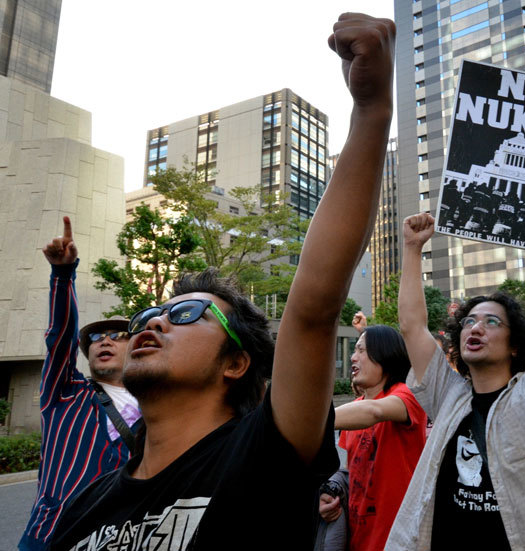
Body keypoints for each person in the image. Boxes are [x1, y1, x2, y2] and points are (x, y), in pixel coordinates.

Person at [50, 13, 396, 550]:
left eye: (187, 314)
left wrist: (372, 110)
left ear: (236, 362)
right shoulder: (85, 506)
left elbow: (312, 307)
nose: (155, 321)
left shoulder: (262, 455)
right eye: (148, 316)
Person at [387, 181, 525, 550]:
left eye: (491, 322)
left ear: (515, 344)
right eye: (469, 321)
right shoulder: (447, 394)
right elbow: (412, 327)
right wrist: (412, 247)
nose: (476, 327)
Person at [19, 217, 141, 551]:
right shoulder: (65, 394)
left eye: (118, 336)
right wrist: (62, 274)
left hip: (117, 540)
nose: (105, 341)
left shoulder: (156, 405)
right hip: (49, 537)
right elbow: (59, 337)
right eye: (97, 338)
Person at [320, 325, 426, 551]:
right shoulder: (353, 412)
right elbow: (348, 473)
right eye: (354, 350)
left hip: (400, 542)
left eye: (361, 350)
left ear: (384, 354)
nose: (352, 356)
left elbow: (375, 412)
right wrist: (329, 496)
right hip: (358, 539)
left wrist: (309, 423)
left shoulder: (407, 395)